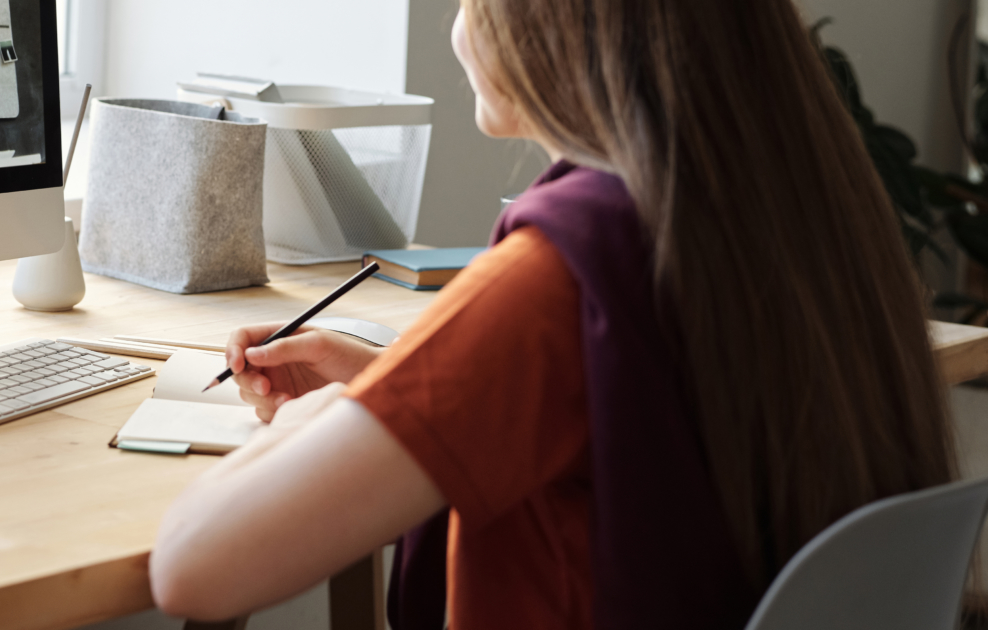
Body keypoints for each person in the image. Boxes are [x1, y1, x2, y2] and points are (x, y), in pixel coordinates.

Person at [148, 1, 957, 629]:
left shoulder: (563, 276)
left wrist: (337, 416)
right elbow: (655, 421)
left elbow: (191, 565)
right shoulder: (799, 213)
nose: (462, 28)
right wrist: (411, 395)